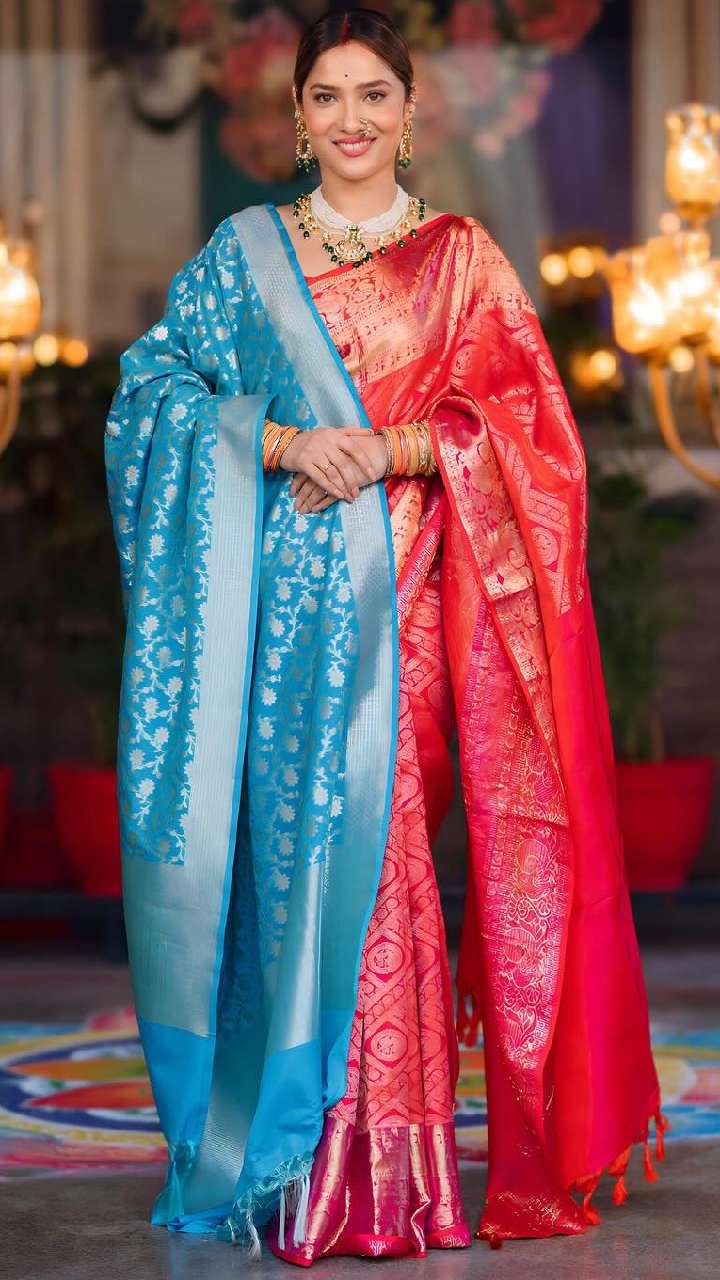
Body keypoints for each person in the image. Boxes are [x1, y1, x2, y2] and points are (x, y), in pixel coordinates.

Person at [105, 5, 665, 1266]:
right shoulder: (243, 258)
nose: (350, 118)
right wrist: (282, 440)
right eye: (327, 96)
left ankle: (387, 1175)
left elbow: (533, 437)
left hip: (407, 611)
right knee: (294, 867)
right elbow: (152, 395)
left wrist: (398, 447)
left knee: (381, 851)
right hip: (270, 635)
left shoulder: (462, 260)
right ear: (297, 118)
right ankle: (296, 1157)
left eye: (373, 95)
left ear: (409, 113)